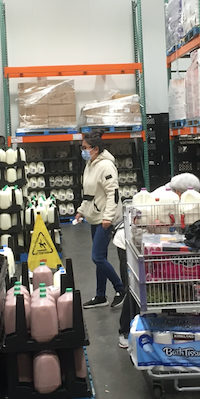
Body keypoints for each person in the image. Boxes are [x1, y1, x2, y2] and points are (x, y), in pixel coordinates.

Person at [116, 173, 200, 348]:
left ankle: (167, 324)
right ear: (180, 191)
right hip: (133, 244)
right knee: (137, 286)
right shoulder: (161, 198)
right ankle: (124, 330)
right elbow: (140, 229)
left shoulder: (176, 197)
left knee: (167, 281)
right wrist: (151, 249)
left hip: (157, 245)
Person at [75, 131, 126, 309]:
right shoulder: (90, 164)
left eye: (85, 148)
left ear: (95, 149)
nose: (83, 151)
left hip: (105, 218)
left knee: (97, 257)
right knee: (101, 257)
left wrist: (108, 217)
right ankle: (100, 295)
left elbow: (114, 193)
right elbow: (89, 192)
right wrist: (81, 211)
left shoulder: (106, 166)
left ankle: (120, 288)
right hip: (94, 216)